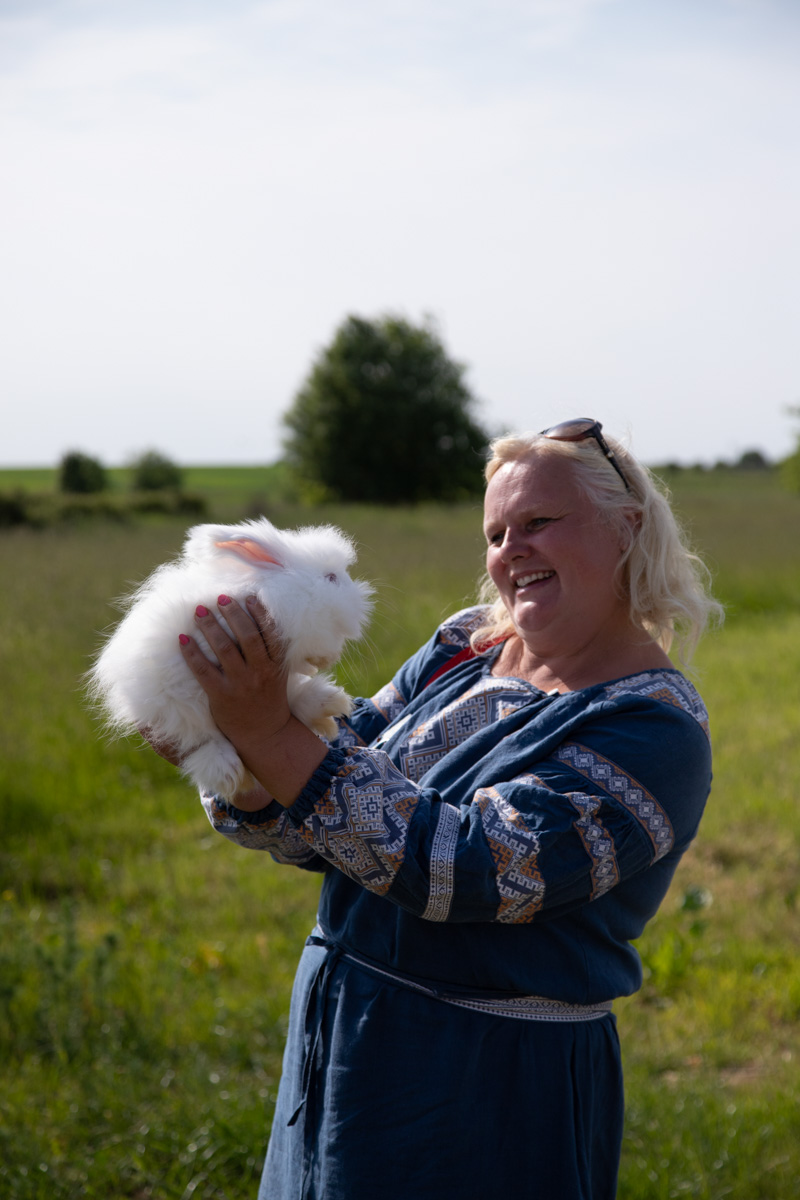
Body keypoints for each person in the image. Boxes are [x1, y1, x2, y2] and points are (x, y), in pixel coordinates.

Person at [148, 418, 723, 1200]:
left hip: (485, 1083)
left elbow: (463, 869)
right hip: (342, 1044)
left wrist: (265, 733)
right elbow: (335, 794)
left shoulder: (654, 729)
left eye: (539, 521)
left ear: (625, 528)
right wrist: (236, 762)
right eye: (497, 533)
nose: (511, 549)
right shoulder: (465, 647)